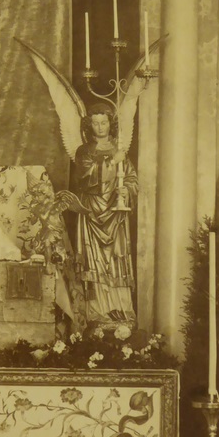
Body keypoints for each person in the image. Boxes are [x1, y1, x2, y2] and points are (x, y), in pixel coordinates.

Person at [73, 105, 138, 323]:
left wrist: (126, 189)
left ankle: (121, 309)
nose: (100, 127)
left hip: (116, 212)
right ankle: (98, 313)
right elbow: (85, 177)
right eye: (95, 123)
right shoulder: (84, 151)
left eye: (104, 122)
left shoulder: (120, 150)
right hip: (92, 210)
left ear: (111, 123)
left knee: (116, 257)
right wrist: (112, 162)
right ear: (89, 125)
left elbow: (132, 178)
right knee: (94, 260)